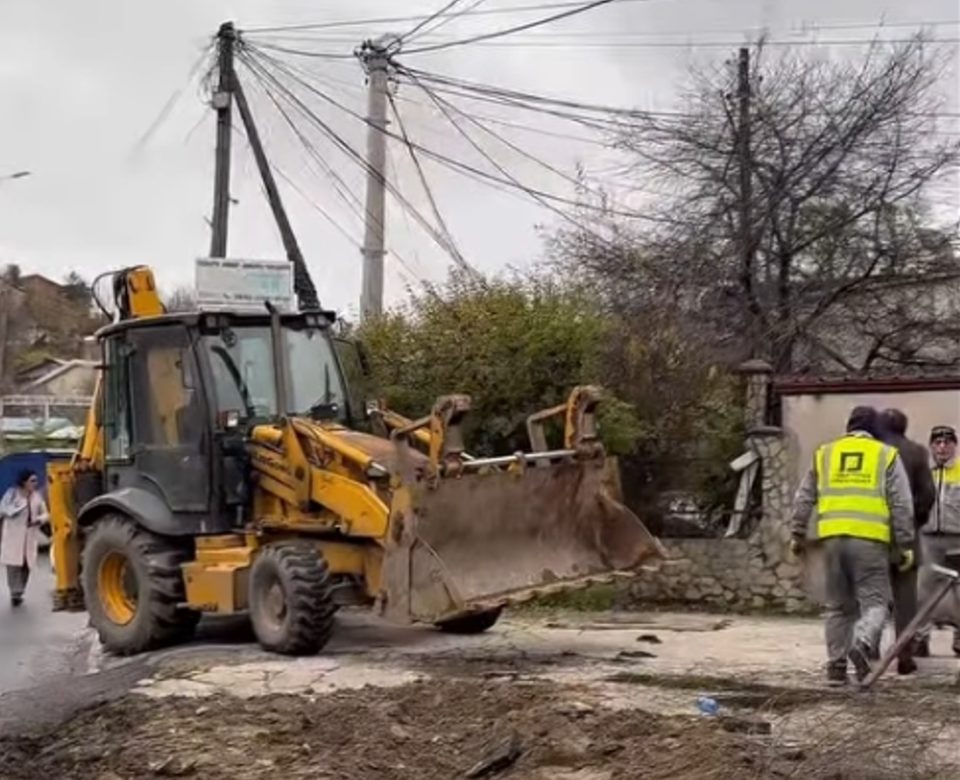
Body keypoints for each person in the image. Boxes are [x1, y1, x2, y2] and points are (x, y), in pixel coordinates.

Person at [790, 406, 915, 685]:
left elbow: (803, 498)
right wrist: (905, 544)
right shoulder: (885, 455)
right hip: (869, 541)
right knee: (876, 602)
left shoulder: (825, 454)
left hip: (832, 540)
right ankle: (862, 643)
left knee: (838, 607)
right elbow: (901, 504)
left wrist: (797, 534)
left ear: (848, 428)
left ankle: (835, 668)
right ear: (875, 431)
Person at [878, 409, 936, 675]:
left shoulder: (874, 451)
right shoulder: (916, 452)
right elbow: (927, 494)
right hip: (907, 535)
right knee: (906, 599)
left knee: (873, 595)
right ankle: (905, 655)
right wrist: (915, 523)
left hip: (873, 533)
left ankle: (869, 647)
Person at [914, 425, 960, 658]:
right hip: (929, 539)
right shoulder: (925, 475)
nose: (942, 447)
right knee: (924, 591)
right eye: (938, 443)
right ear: (932, 446)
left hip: (958, 540)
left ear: (955, 446)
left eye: (947, 443)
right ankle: (920, 638)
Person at [0, 469, 49, 606]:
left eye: (36, 480)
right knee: (13, 565)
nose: (35, 483)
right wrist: (16, 509)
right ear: (24, 482)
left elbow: (46, 514)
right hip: (13, 535)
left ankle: (20, 590)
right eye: (32, 480)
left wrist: (38, 520)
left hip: (29, 535)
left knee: (26, 564)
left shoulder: (37, 497)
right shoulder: (12, 494)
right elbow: (2, 509)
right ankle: (15, 592)